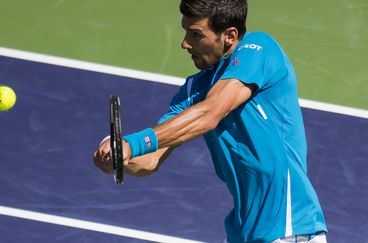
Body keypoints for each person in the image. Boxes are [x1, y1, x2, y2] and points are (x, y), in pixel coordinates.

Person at [93, 0, 328, 242]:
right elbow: (151, 158)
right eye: (186, 32)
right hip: (242, 232)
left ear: (229, 35)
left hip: (290, 228)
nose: (185, 43)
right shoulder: (193, 89)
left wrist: (132, 143)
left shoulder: (260, 49)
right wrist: (120, 158)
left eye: (196, 35)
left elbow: (210, 113)